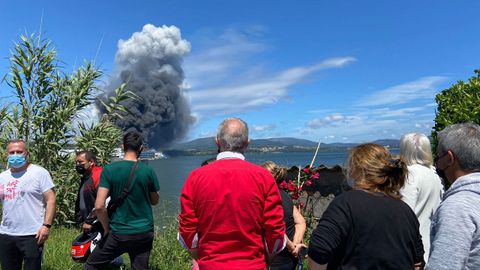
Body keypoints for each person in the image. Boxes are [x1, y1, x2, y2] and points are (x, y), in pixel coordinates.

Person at [178, 118, 286, 270]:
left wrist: (201, 257)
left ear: (217, 142)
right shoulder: (264, 178)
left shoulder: (195, 178)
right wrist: (267, 259)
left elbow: (187, 230)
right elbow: (275, 230)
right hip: (253, 265)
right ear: (247, 143)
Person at [308, 143, 424, 270]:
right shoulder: (405, 210)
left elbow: (318, 250)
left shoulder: (346, 204)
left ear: (357, 170)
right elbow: (417, 263)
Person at [84, 131, 160, 270]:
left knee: (91, 266)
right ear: (141, 148)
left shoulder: (110, 170)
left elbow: (100, 206)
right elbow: (154, 201)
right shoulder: (148, 171)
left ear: (122, 147)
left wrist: (106, 228)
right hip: (144, 232)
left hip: (118, 232)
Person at [426, 123, 480, 270]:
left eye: (438, 157)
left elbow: (444, 265)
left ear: (449, 158)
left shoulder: (457, 207)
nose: (437, 163)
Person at [0, 139, 56, 270]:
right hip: (6, 233)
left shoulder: (39, 173)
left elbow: (51, 200)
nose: (15, 155)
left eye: (19, 152)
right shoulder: (3, 177)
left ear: (27, 153)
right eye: (12, 152)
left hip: (32, 233)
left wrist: (46, 226)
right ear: (7, 155)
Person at [399, 133, 444, 262]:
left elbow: (404, 214)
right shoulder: (435, 173)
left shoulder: (409, 175)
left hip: (414, 250)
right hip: (431, 244)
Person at [261, 161, 307, 270]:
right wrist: (296, 244)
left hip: (275, 259)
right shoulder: (285, 196)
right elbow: (300, 222)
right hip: (289, 259)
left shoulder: (267, 197)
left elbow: (276, 228)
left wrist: (292, 247)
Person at [75, 150, 103, 232]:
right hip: (88, 224)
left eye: (80, 162)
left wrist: (90, 220)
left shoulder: (98, 175)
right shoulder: (86, 177)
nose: (77, 165)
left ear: (91, 162)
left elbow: (102, 201)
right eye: (76, 162)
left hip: (97, 223)